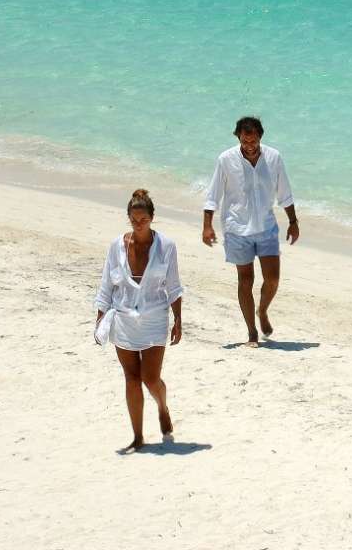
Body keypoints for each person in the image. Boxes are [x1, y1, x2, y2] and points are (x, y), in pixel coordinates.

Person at [94, 189, 183, 453]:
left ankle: (162, 407)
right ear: (129, 218)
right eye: (134, 219)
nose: (138, 224)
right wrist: (100, 317)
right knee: (131, 379)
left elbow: (174, 286)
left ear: (152, 218)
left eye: (143, 219)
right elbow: (106, 284)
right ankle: (138, 436)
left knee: (150, 378)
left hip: (155, 318)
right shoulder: (116, 246)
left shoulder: (166, 246)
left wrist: (178, 319)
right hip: (123, 319)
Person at [202, 115, 299, 346]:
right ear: (239, 138)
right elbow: (213, 194)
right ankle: (252, 333)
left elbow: (284, 193)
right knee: (245, 280)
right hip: (237, 228)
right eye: (245, 142)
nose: (250, 147)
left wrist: (293, 222)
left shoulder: (274, 157)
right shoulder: (226, 159)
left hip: (266, 227)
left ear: (260, 138)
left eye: (253, 142)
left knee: (272, 279)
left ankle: (262, 310)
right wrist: (207, 226)